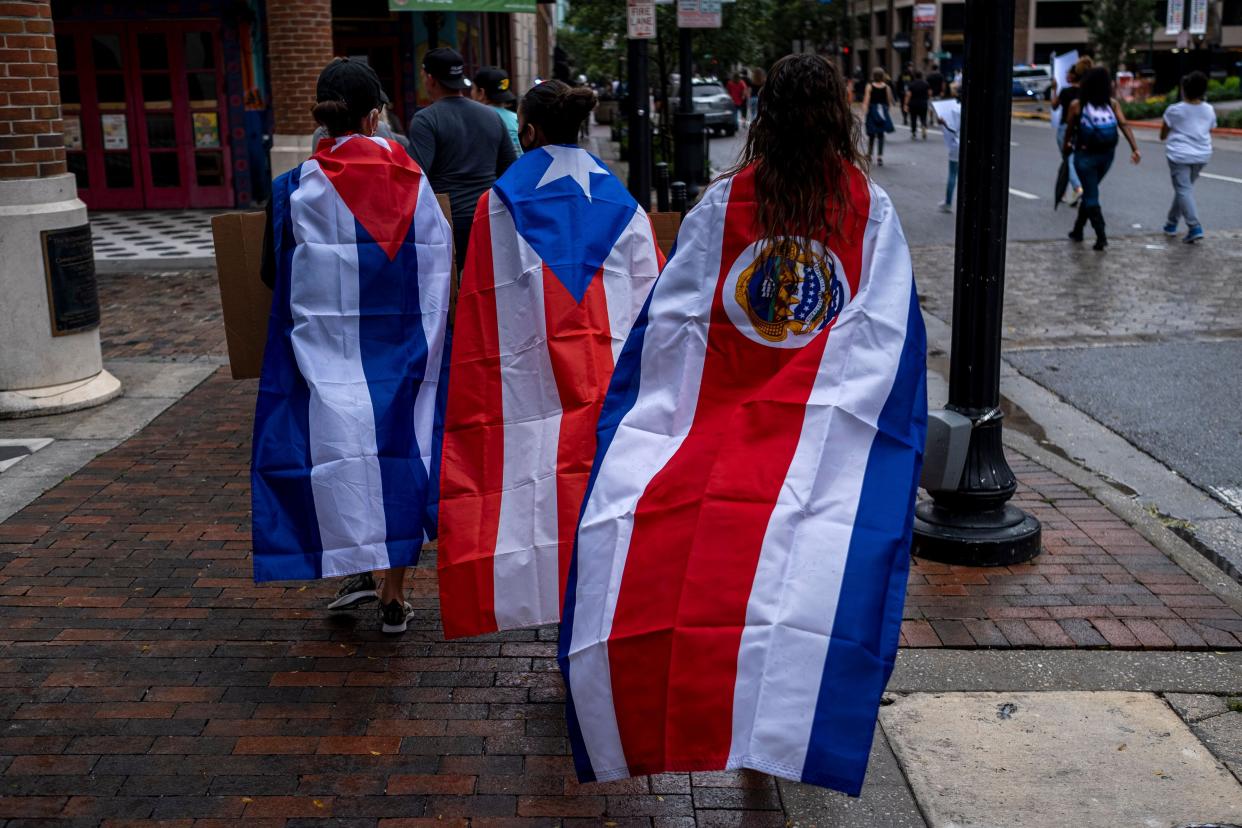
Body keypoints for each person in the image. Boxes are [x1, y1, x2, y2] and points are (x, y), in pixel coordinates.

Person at [558, 52, 926, 797]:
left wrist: (659, 416)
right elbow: (887, 334)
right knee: (797, 586)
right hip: (816, 439)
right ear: (837, 114)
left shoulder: (724, 203)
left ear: (765, 112)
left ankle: (730, 722)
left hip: (717, 437)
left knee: (714, 587)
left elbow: (675, 320)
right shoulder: (868, 208)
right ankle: (766, 740)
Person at [437, 80, 662, 639]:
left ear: (529, 132)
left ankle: (557, 603)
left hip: (527, 381)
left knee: (538, 487)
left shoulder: (501, 200)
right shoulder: (622, 201)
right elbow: (650, 289)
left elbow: (483, 302)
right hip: (608, 378)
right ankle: (598, 613)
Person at [253, 57, 453, 634]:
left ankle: (355, 571)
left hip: (327, 355)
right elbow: (438, 268)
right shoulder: (413, 181)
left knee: (340, 456)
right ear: (373, 118)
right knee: (402, 452)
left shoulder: (293, 188)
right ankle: (392, 590)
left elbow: (273, 273)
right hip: (407, 349)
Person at [408, 47, 517, 271]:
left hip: (446, 223)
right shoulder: (492, 116)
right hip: (489, 218)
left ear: (429, 79)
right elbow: (512, 171)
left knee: (450, 295)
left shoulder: (426, 119)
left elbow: (415, 176)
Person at [1062, 66, 1141, 250]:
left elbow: (1069, 129)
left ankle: (1101, 236)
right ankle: (1078, 230)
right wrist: (1135, 148)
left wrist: (1066, 145)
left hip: (1085, 156)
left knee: (1090, 194)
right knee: (1091, 190)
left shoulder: (1077, 105)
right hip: (1107, 156)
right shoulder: (1112, 103)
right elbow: (1124, 124)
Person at [1161, 70, 1215, 244]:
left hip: (1180, 155)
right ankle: (1171, 223)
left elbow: (1163, 135)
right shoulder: (1209, 109)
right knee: (1184, 189)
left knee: (1183, 189)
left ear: (1184, 89)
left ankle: (1194, 227)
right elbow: (1210, 128)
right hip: (1202, 155)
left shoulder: (1174, 110)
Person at [1051, 56, 1093, 206]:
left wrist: (1054, 90)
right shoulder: (1086, 92)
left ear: (1074, 75)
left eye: (1068, 73)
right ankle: (1065, 193)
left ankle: (1077, 188)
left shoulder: (1066, 91)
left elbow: (1054, 106)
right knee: (1071, 160)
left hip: (1065, 129)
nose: (1066, 76)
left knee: (1068, 159)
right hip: (1081, 129)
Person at [472, 65, 522, 157]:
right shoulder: (517, 119)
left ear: (481, 93)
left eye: (473, 88)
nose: (471, 93)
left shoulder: (476, 120)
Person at [862, 67, 895, 165]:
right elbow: (889, 101)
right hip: (882, 111)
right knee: (881, 134)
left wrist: (864, 112)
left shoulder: (869, 86)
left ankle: (869, 154)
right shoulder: (887, 87)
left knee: (871, 133)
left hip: (872, 110)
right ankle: (880, 157)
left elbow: (866, 100)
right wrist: (886, 111)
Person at [937, 91, 962, 212]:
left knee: (952, 174)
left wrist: (943, 123)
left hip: (956, 145)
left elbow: (951, 128)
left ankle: (948, 202)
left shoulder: (955, 110)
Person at [904, 70, 930, 140]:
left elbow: (908, 95)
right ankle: (923, 126)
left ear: (915, 76)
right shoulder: (926, 84)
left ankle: (914, 133)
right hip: (923, 103)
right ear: (921, 76)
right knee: (923, 117)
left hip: (913, 104)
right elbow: (929, 93)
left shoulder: (911, 84)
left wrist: (906, 104)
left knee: (913, 118)